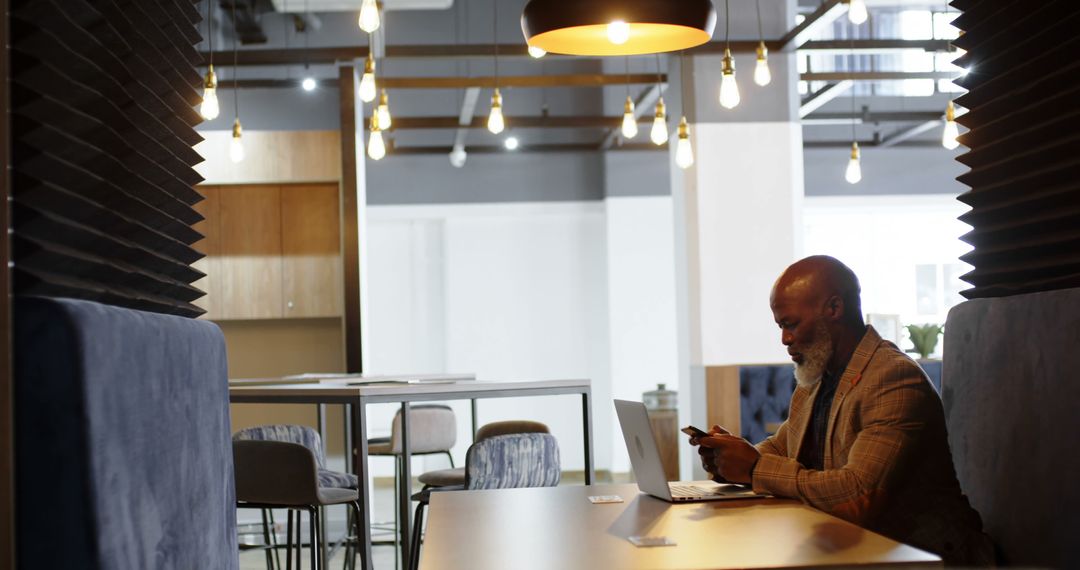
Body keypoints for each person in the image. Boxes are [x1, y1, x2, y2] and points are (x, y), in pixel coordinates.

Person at [691, 255, 994, 566]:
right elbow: (783, 447)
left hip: (928, 558)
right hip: (852, 549)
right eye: (780, 326)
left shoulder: (894, 379)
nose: (785, 339)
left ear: (834, 309)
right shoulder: (818, 375)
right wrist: (730, 458)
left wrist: (754, 468)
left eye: (791, 324)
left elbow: (857, 494)